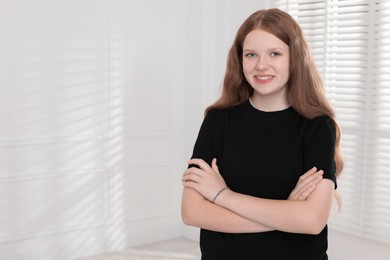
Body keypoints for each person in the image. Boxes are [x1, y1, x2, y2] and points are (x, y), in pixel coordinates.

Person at [181, 8, 344, 260]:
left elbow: (311, 221)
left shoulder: (318, 127)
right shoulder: (217, 120)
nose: (261, 65)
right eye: (251, 54)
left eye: (275, 53)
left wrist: (222, 196)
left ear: (295, 58)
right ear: (240, 59)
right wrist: (287, 213)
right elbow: (192, 212)